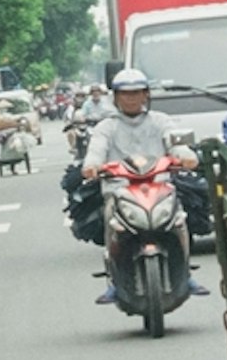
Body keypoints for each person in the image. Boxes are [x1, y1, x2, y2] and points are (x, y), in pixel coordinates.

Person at [75, 66, 179, 301]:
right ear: (116, 98)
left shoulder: (161, 121)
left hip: (160, 189)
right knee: (111, 221)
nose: (131, 98)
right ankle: (114, 278)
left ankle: (184, 271)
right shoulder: (106, 127)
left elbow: (176, 143)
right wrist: (92, 166)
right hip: (119, 191)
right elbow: (96, 151)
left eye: (136, 93)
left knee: (180, 220)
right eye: (125, 94)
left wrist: (185, 155)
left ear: (146, 95)